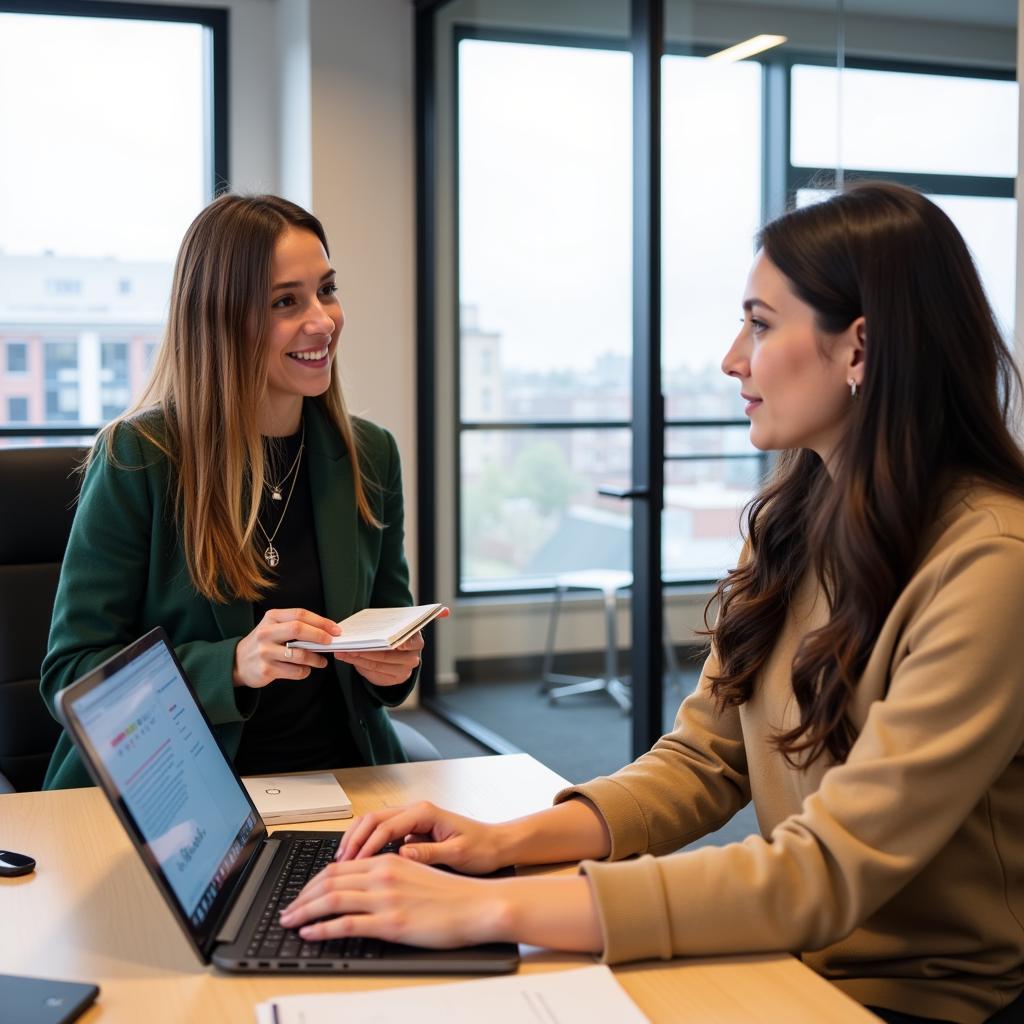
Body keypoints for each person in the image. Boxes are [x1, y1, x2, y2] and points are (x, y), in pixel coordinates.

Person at [279, 184, 1024, 1024]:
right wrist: (500, 844)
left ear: (862, 347)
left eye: (762, 323)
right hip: (793, 960)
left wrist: (491, 909)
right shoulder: (795, 523)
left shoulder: (992, 564)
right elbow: (705, 760)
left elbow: (828, 870)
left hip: (917, 1001)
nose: (733, 358)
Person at [41, 194, 425, 789]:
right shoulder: (140, 458)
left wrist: (392, 665)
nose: (322, 320)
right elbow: (72, 676)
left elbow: (388, 661)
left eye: (326, 289)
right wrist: (233, 667)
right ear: (219, 318)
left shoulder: (368, 455)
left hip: (345, 789)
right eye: (284, 302)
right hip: (184, 800)